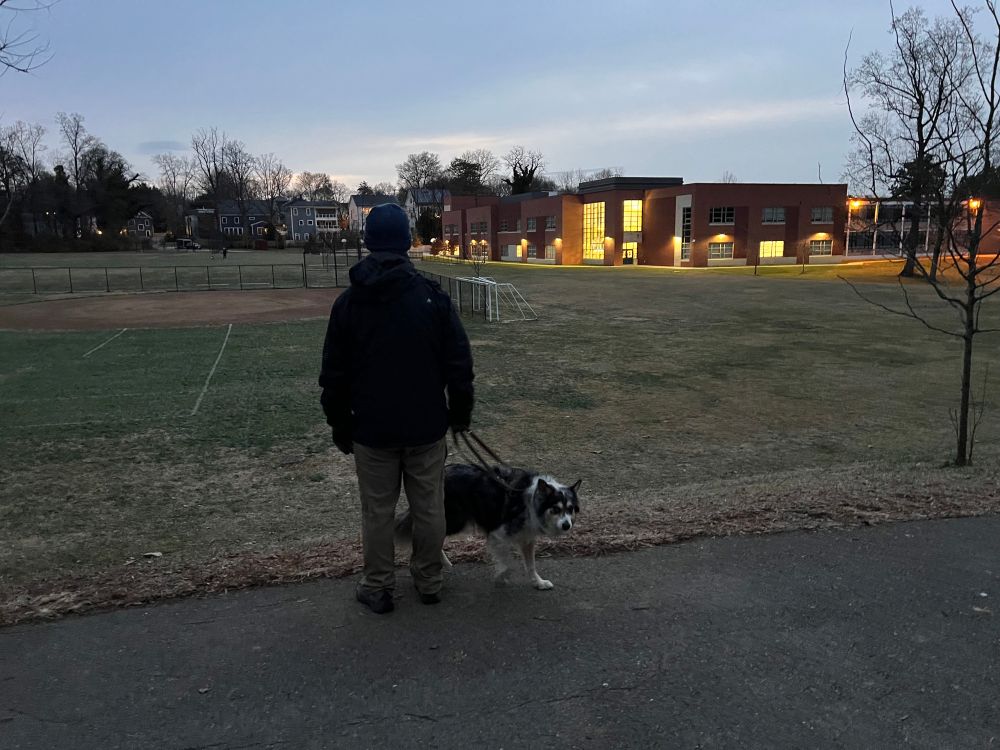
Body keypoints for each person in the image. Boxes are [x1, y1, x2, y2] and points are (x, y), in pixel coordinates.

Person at [319, 203, 474, 614]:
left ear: (368, 242)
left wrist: (338, 423)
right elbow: (459, 365)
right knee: (429, 509)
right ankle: (428, 580)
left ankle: (378, 586)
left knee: (378, 513)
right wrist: (460, 412)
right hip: (425, 427)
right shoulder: (432, 299)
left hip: (372, 429)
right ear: (407, 242)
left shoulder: (349, 305)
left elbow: (334, 375)